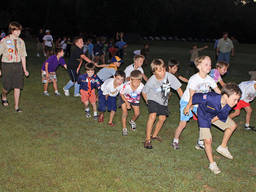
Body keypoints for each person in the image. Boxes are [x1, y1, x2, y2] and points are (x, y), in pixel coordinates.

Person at [172, 56, 221, 150]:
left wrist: (225, 99)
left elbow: (218, 91)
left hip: (199, 103)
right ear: (198, 66)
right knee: (183, 123)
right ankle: (175, 140)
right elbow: (192, 96)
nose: (209, 66)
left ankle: (200, 142)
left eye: (210, 64)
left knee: (204, 122)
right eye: (206, 64)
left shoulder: (210, 79)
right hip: (187, 101)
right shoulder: (194, 79)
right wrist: (188, 107)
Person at [192, 83, 241, 174]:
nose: (236, 103)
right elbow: (195, 96)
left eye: (237, 100)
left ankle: (222, 147)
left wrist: (212, 121)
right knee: (208, 140)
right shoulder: (211, 97)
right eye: (235, 100)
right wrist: (188, 106)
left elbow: (221, 115)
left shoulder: (228, 105)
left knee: (232, 125)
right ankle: (212, 164)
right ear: (226, 96)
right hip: (203, 115)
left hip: (213, 116)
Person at [142, 59, 183, 149]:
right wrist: (147, 101)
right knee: (152, 115)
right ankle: (147, 140)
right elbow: (144, 92)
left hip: (163, 100)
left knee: (162, 118)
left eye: (164, 69)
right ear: (154, 72)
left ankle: (154, 135)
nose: (163, 72)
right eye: (160, 70)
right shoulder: (152, 80)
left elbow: (179, 90)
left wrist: (184, 103)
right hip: (152, 98)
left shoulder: (170, 77)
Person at [0, 21, 29, 112]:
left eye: (19, 30)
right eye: (15, 30)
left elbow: (23, 56)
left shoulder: (21, 42)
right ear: (11, 30)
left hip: (18, 65)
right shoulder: (4, 40)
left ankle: (16, 106)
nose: (18, 32)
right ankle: (3, 95)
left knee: (18, 86)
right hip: (7, 65)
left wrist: (25, 69)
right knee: (7, 87)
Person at [120, 70, 145, 136]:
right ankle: (124, 128)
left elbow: (144, 93)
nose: (137, 83)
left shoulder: (142, 86)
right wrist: (127, 103)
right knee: (125, 112)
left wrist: (147, 100)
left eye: (138, 81)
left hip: (135, 99)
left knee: (137, 113)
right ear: (131, 79)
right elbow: (121, 94)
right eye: (135, 81)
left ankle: (132, 121)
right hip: (125, 98)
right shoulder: (126, 85)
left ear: (141, 80)